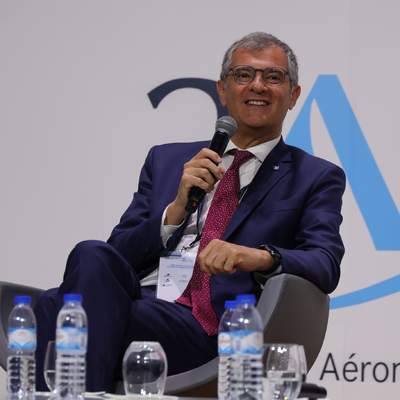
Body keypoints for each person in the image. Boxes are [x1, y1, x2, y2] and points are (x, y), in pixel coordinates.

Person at [34, 31, 346, 392]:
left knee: (55, 307)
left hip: (208, 324)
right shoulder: (167, 160)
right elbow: (116, 254)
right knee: (90, 253)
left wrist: (257, 256)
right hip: (138, 297)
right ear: (222, 90)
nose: (257, 85)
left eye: (273, 76)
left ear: (293, 96)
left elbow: (324, 262)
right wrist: (174, 212)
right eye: (243, 74)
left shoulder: (315, 176)